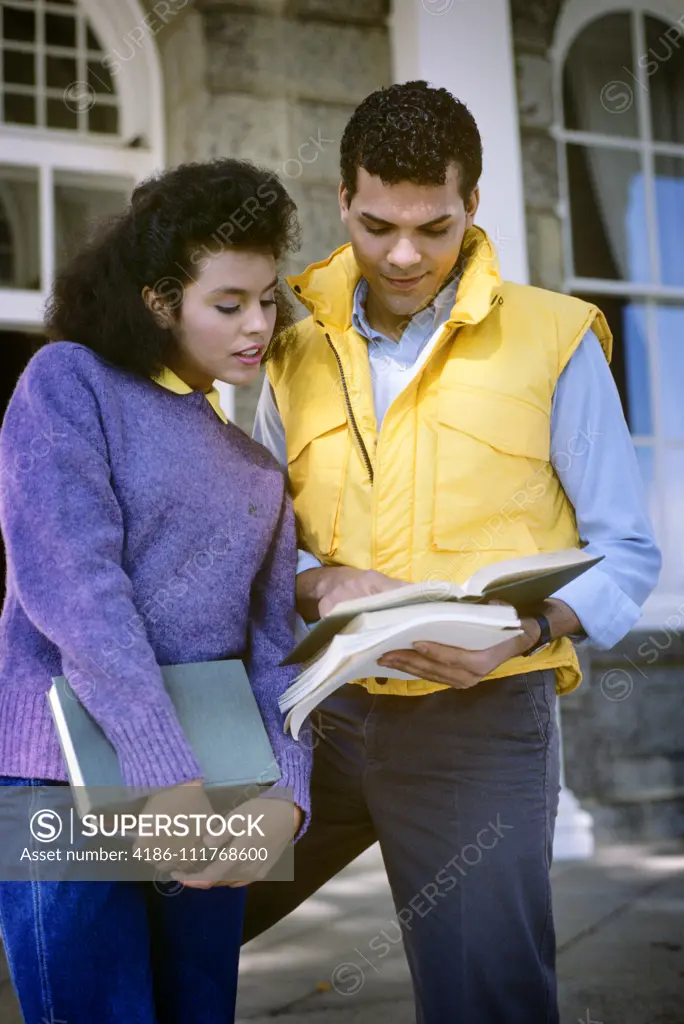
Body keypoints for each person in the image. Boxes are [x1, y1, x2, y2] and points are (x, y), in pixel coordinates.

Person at [243, 81, 662, 1023]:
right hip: (316, 714)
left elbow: (626, 552)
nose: (403, 254)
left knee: (488, 1003)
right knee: (161, 903)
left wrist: (522, 634)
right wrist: (313, 581)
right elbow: (259, 544)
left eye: (433, 228)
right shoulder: (287, 348)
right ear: (344, 201)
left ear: (472, 205)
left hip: (478, 726)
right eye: (378, 223)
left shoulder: (556, 341)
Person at [0, 158, 311, 1024]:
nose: (259, 325)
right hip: (56, 777)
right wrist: (161, 773)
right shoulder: (68, 384)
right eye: (229, 303)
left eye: (268, 299)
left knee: (196, 1012)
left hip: (212, 788)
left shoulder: (258, 470)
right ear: (159, 300)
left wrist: (288, 794)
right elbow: (74, 586)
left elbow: (277, 652)